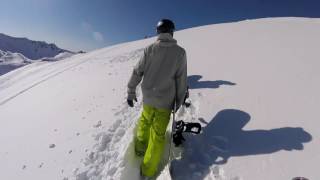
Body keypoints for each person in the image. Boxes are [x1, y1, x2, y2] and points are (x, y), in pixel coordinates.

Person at [127, 19, 188, 178]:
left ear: (158, 32)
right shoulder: (180, 53)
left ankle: (140, 149)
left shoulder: (149, 49)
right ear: (171, 32)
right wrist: (178, 102)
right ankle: (147, 171)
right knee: (157, 135)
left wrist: (131, 91)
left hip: (148, 98)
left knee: (145, 121)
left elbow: (137, 71)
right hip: (164, 102)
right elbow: (181, 80)